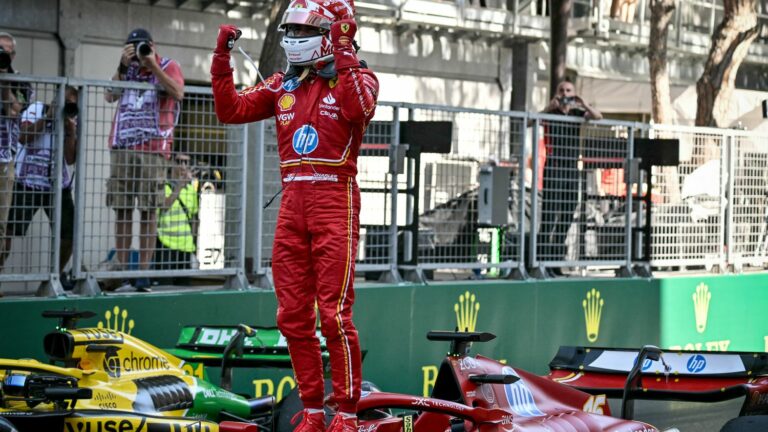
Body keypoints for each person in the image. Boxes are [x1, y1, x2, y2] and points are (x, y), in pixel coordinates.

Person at [210, 0, 378, 430]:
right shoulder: (283, 86)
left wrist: (343, 50)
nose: (293, 40)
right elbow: (230, 110)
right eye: (290, 32)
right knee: (291, 317)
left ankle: (345, 412)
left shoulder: (356, 78)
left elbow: (359, 110)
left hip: (335, 201)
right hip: (292, 205)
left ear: (329, 33)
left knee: (335, 315)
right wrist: (220, 59)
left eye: (303, 32)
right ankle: (313, 410)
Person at [104, 28, 184, 291]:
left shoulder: (167, 65)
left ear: (152, 45)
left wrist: (151, 64)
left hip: (153, 149)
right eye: (132, 47)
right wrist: (122, 65)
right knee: (123, 210)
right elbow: (109, 95)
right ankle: (123, 271)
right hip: (123, 146)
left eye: (141, 47)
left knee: (149, 210)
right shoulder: (127, 69)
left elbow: (177, 92)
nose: (137, 52)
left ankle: (142, 272)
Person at [0, 86, 79, 276]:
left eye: (72, 104)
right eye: (66, 102)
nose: (68, 107)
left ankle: (56, 275)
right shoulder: (36, 109)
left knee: (69, 233)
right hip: (27, 181)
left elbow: (70, 158)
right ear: (55, 100)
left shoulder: (72, 119)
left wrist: (70, 131)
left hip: (57, 185)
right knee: (8, 230)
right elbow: (23, 136)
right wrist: (48, 118)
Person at [537, 80, 602, 276]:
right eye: (562, 90)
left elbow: (597, 116)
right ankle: (540, 260)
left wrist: (582, 103)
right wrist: (550, 106)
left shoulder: (576, 113)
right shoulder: (551, 113)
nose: (565, 94)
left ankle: (555, 259)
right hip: (554, 167)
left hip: (572, 169)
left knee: (567, 212)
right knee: (549, 215)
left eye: (569, 91)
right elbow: (532, 120)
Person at [0, 32, 30, 274]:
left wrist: (4, 79)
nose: (3, 55)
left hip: (5, 159)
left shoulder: (22, 82)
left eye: (7, 52)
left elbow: (16, 109)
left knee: (1, 224)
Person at [153, 152, 198, 286]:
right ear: (171, 163)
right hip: (166, 245)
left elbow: (194, 217)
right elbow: (164, 207)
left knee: (184, 288)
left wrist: (194, 242)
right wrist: (179, 186)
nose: (183, 166)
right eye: (179, 162)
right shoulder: (164, 185)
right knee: (164, 287)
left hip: (185, 247)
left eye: (186, 162)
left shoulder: (191, 190)